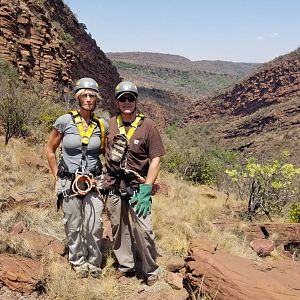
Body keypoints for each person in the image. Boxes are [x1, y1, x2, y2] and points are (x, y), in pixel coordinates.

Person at [104, 81, 165, 286]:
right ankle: (126, 265)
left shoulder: (148, 126)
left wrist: (147, 187)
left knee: (143, 229)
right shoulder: (111, 123)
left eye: (131, 98)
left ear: (136, 100)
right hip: (114, 184)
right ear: (117, 102)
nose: (127, 102)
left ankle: (151, 271)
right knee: (118, 227)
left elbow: (155, 158)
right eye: (123, 99)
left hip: (138, 187)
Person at [46, 77, 108, 278]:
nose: (89, 99)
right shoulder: (64, 121)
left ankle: (94, 262)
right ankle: (78, 261)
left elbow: (105, 152)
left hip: (93, 181)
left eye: (92, 96)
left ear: (96, 99)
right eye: (85, 95)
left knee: (94, 225)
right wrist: (57, 175)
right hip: (68, 180)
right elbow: (50, 149)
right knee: (73, 224)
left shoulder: (102, 125)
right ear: (78, 98)